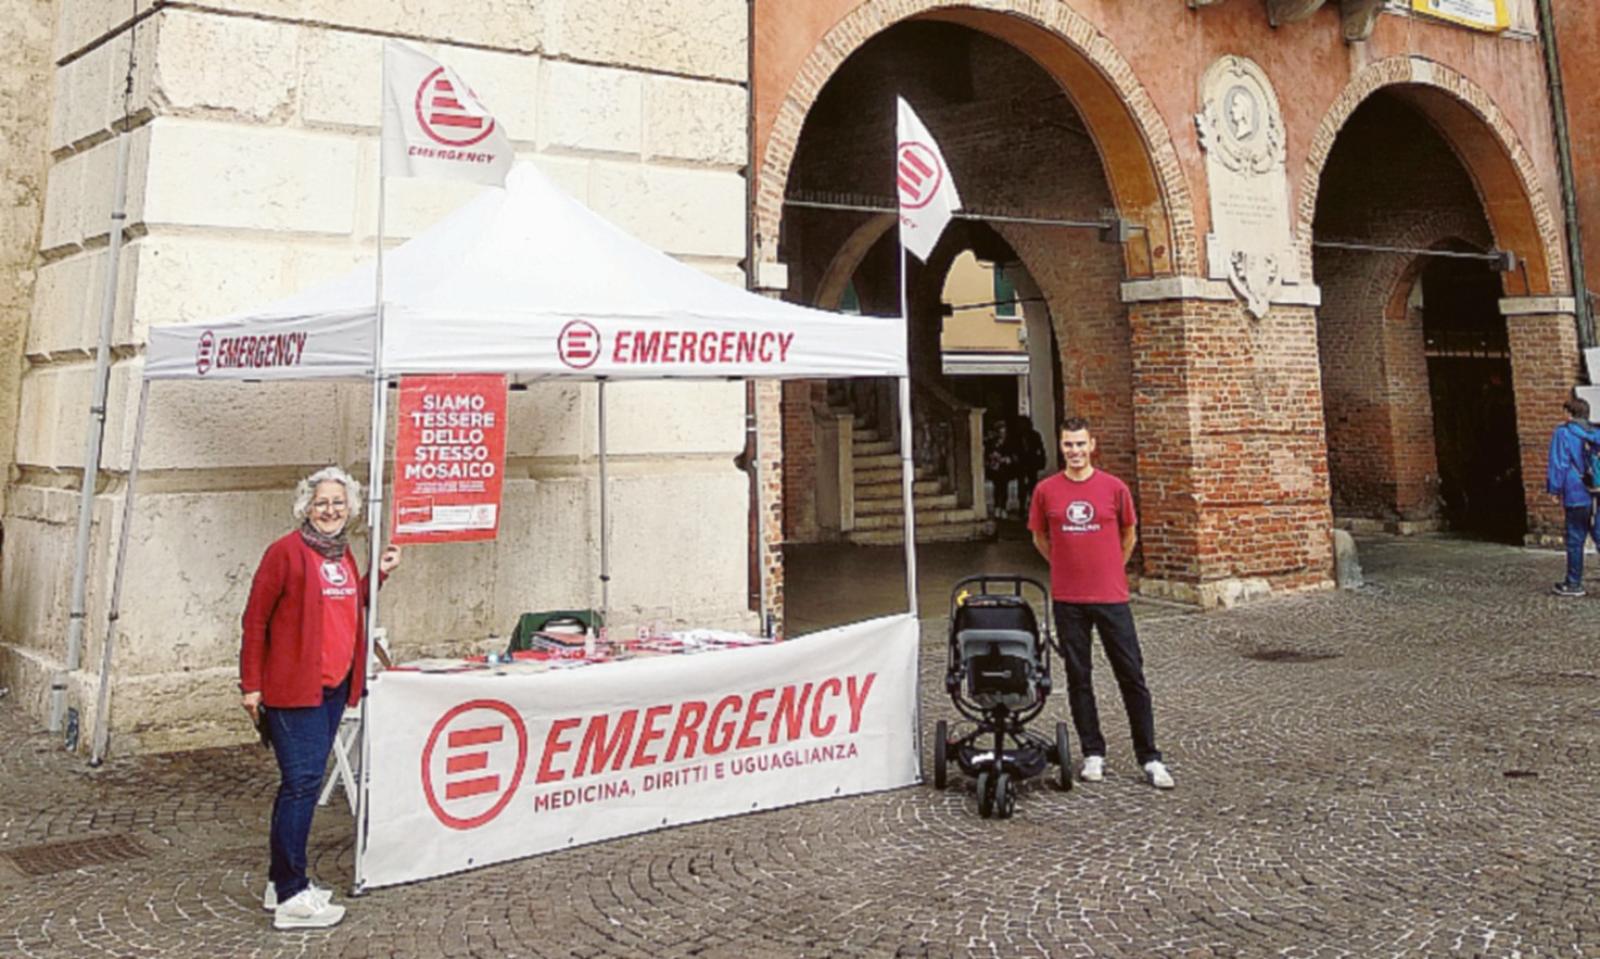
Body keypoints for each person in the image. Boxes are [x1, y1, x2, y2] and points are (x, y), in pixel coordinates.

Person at [240, 466, 401, 929]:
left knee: (304, 784)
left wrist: (379, 575)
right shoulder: (285, 554)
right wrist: (251, 685)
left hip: (333, 688)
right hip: (294, 690)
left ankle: (279, 883)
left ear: (349, 507)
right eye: (321, 503)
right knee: (302, 785)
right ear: (306, 508)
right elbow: (255, 622)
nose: (330, 510)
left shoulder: (342, 555)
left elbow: (350, 606)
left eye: (338, 502)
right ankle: (292, 894)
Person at [1028, 417, 1173, 789]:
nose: (1074, 452)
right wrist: (1064, 565)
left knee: (1132, 676)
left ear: (1092, 445)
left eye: (1080, 444)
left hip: (1111, 597)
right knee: (1079, 678)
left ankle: (1150, 756)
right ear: (1060, 448)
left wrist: (1112, 568)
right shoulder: (1046, 491)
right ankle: (1093, 751)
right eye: (1067, 445)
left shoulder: (1114, 488)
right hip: (1068, 599)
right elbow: (1040, 537)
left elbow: (1129, 533)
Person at [1546, 396, 1600, 596]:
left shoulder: (1563, 433)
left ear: (1569, 414)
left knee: (1576, 538)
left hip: (1576, 492)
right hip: (1597, 491)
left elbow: (1558, 463)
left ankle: (1573, 584)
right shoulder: (1595, 432)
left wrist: (1554, 489)